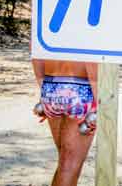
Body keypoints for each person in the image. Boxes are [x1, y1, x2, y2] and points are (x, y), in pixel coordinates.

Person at [32, 58, 98, 186]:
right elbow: (91, 56)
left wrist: (44, 87)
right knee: (69, 166)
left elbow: (36, 50)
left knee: (65, 162)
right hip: (82, 87)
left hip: (50, 84)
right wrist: (99, 101)